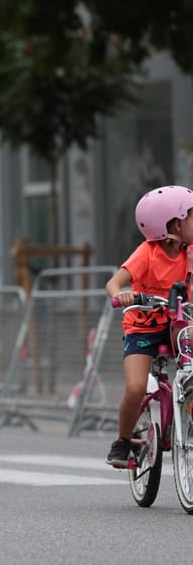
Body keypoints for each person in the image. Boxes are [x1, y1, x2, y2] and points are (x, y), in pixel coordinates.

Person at [104, 186, 193, 468]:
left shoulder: (190, 254)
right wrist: (121, 294)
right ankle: (123, 441)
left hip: (177, 322)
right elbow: (114, 283)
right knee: (135, 388)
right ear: (177, 224)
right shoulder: (147, 253)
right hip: (143, 327)